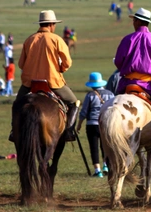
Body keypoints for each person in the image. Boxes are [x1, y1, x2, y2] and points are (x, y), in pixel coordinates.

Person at [12, 10, 79, 142]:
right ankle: (69, 131)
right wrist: (60, 68)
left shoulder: (29, 40)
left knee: (16, 105)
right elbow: (67, 63)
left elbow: (21, 64)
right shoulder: (57, 40)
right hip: (53, 82)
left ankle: (14, 131)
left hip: (30, 84)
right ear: (52, 24)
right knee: (74, 103)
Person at [114, 7, 151, 136]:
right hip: (149, 84)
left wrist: (125, 68)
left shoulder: (127, 39)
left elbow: (118, 61)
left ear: (139, 22)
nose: (133, 23)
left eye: (134, 20)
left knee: (114, 101)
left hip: (127, 82)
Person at [76, 72, 114, 177]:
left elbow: (83, 112)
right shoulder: (110, 94)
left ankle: (98, 171)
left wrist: (79, 124)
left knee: (94, 148)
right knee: (105, 146)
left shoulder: (90, 95)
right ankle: (106, 165)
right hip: (106, 123)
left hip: (92, 124)